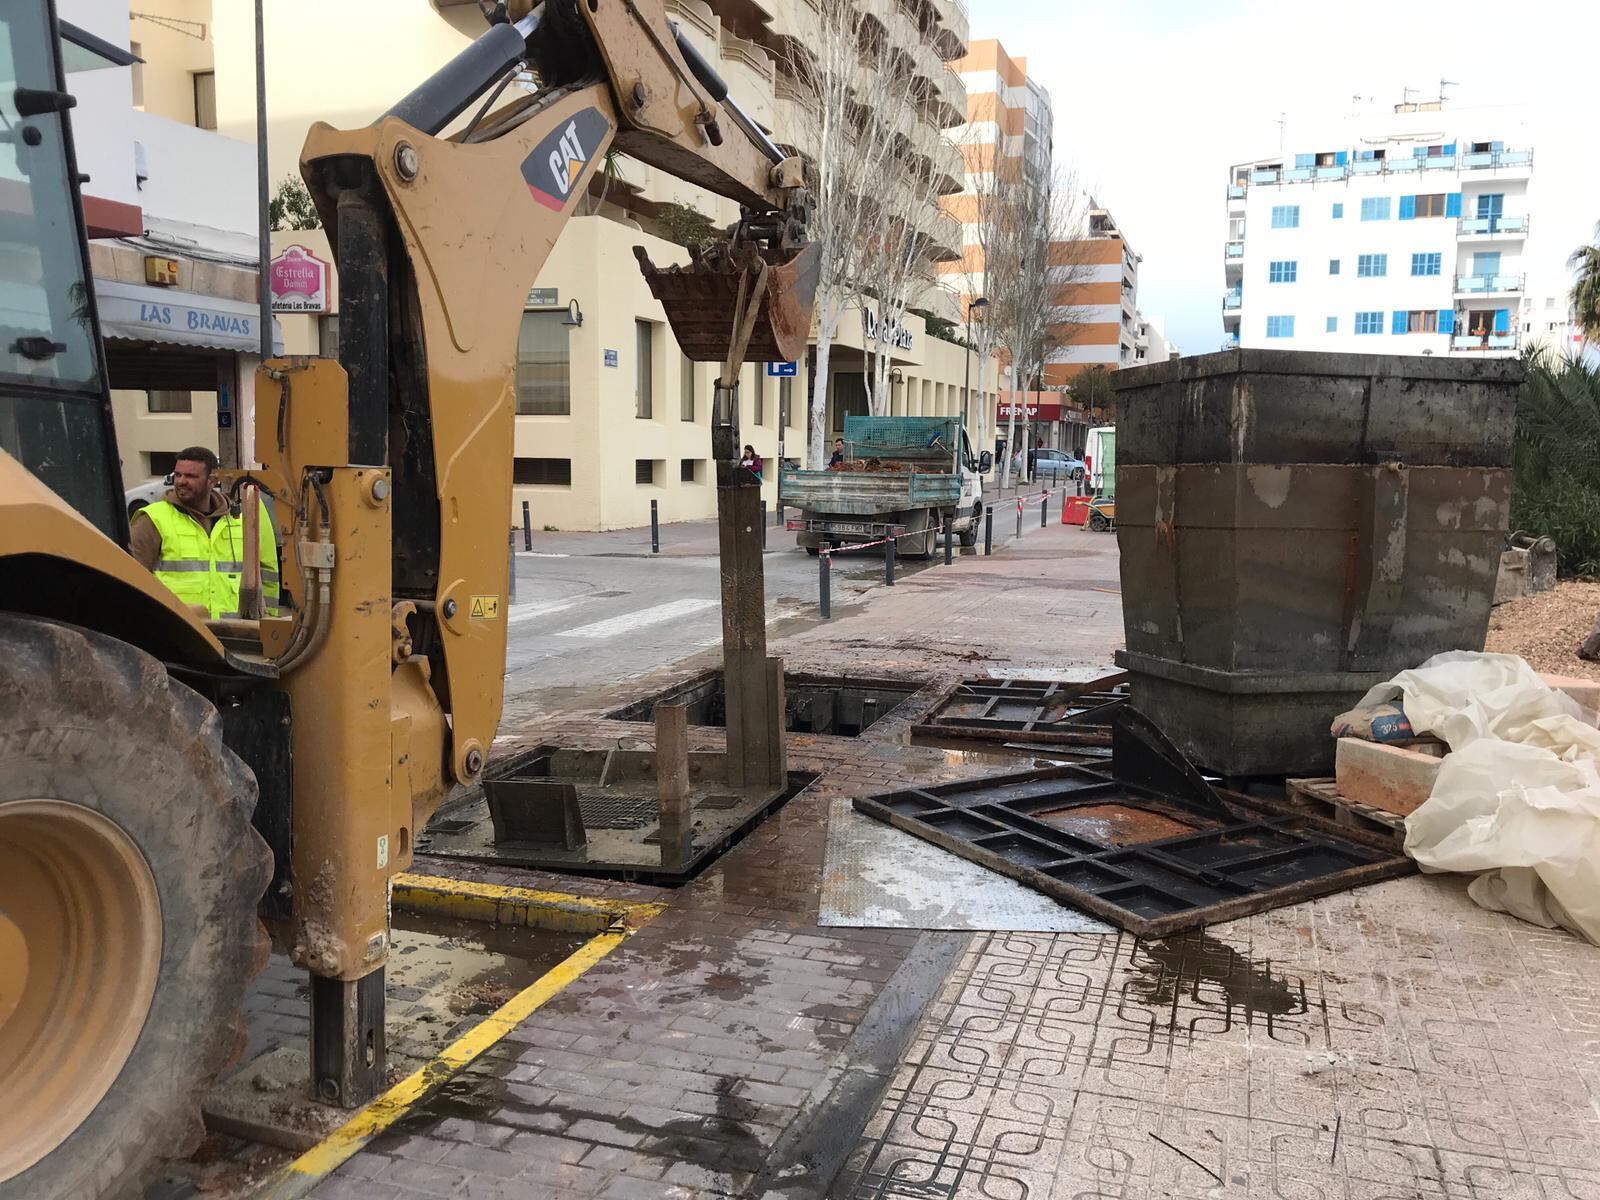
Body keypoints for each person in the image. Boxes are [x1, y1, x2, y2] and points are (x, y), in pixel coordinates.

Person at [129, 445, 279, 619]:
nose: (181, 481)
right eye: (178, 475)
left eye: (190, 476)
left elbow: (268, 574)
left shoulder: (240, 519)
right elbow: (132, 577)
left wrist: (269, 623)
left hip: (236, 635)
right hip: (178, 634)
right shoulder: (154, 519)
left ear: (212, 480)